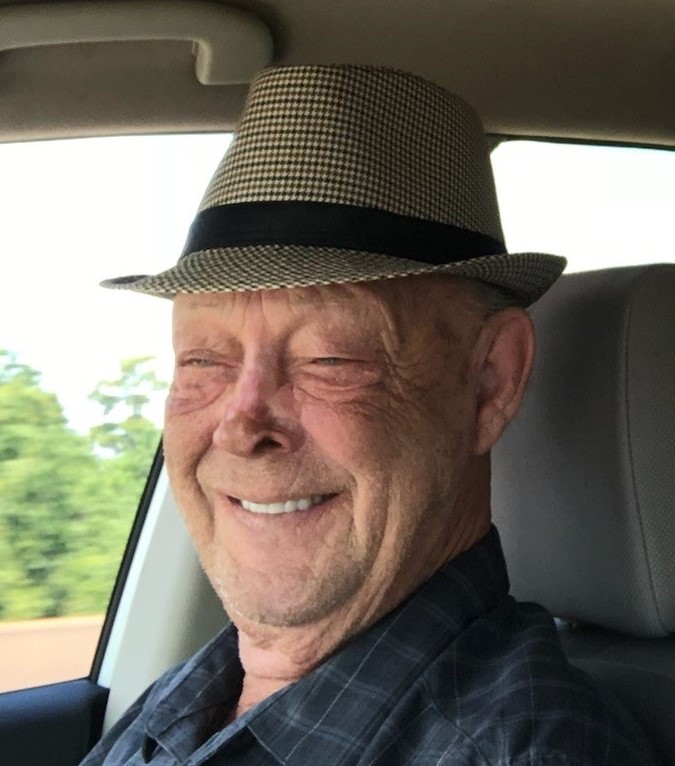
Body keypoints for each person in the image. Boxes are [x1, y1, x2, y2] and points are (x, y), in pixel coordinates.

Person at [81, 65, 656, 765]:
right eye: (202, 360)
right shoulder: (191, 692)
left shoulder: (517, 751)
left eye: (329, 358)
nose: (240, 425)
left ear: (489, 381)